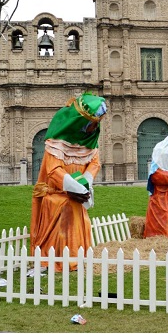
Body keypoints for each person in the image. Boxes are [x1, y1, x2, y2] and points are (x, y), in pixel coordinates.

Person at [30, 93, 107, 272]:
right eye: (92, 123)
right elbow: (54, 170)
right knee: (63, 213)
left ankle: (77, 258)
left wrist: (85, 184)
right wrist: (75, 188)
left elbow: (94, 163)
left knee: (79, 220)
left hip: (77, 198)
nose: (95, 128)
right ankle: (53, 260)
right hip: (56, 197)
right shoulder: (56, 144)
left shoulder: (90, 142)